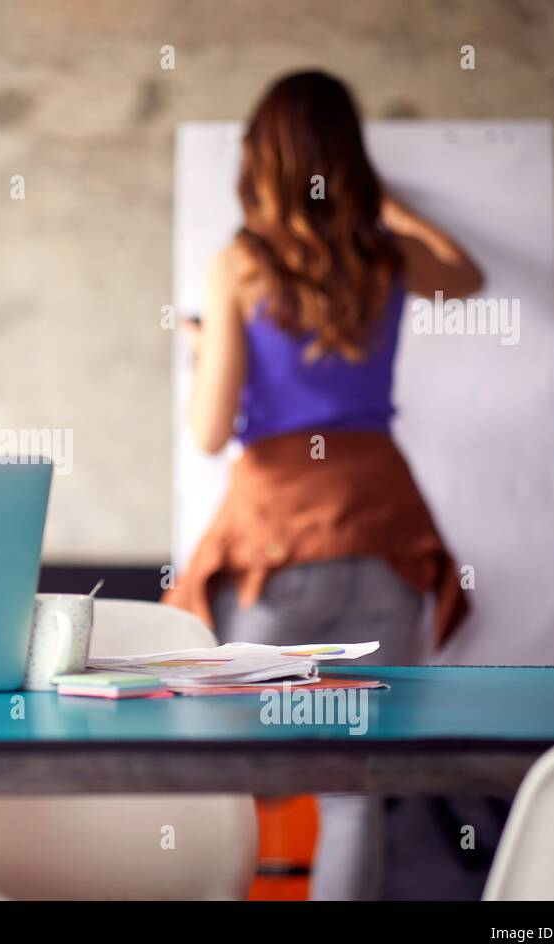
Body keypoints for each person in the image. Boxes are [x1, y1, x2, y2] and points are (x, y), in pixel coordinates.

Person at [164, 70, 482, 900]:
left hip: (278, 536)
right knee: (352, 789)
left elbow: (207, 432)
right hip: (385, 527)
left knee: (221, 767)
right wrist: (385, 207)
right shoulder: (386, 256)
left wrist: (204, 346)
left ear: (260, 158)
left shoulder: (237, 266)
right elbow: (468, 274)